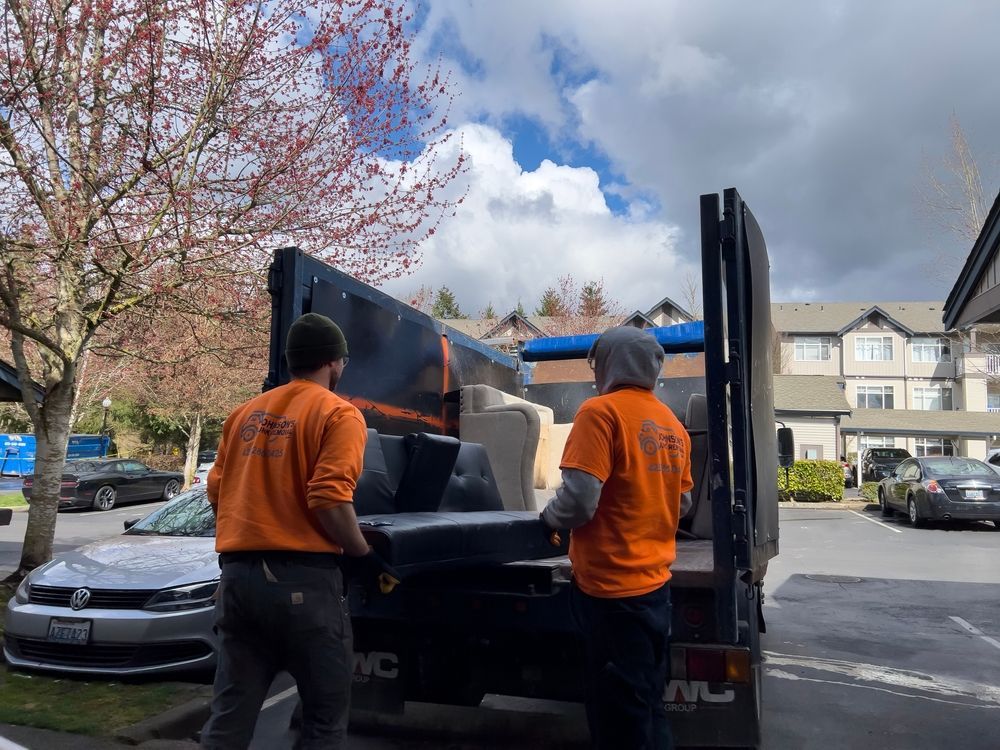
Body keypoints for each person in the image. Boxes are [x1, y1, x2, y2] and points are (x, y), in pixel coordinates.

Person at [200, 312, 397, 750]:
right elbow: (327, 497)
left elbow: (218, 492)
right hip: (303, 584)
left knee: (229, 717)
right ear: (334, 362)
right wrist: (364, 556)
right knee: (324, 721)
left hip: (237, 581)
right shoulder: (339, 414)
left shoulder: (243, 414)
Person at [540, 326, 692, 750]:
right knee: (645, 703)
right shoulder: (671, 426)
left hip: (610, 594)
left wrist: (547, 519)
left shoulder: (600, 412)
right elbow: (683, 505)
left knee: (617, 720)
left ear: (609, 363)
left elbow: (579, 502)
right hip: (655, 590)